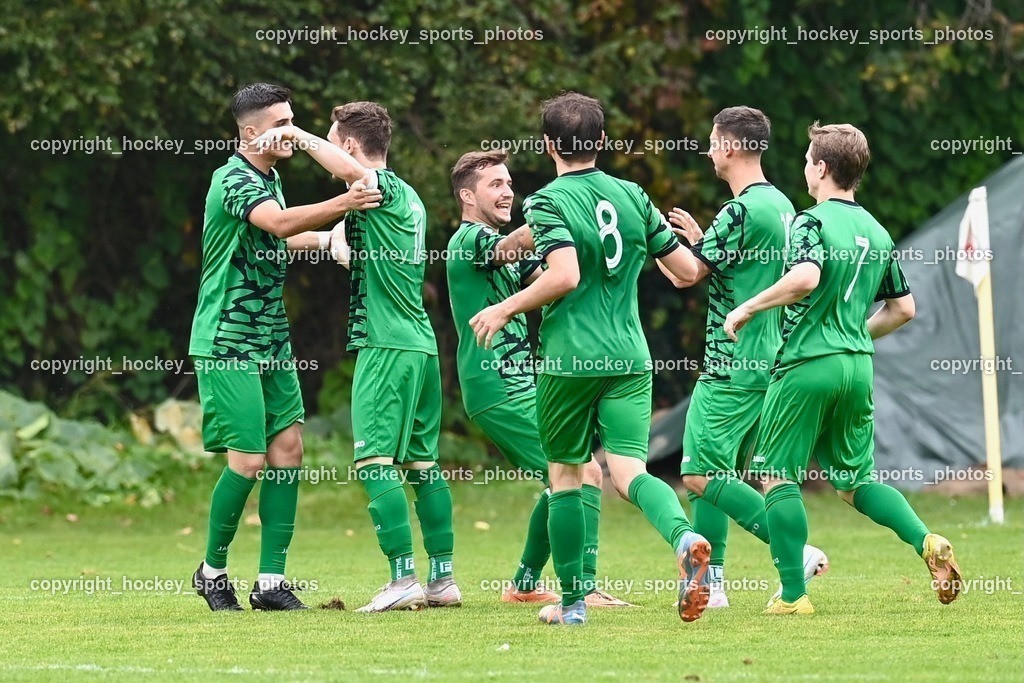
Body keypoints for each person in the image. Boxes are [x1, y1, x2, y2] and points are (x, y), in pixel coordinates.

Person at [470, 92, 712, 625]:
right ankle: (684, 538)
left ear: (549, 144)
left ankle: (574, 604)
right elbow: (689, 272)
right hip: (630, 355)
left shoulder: (547, 199)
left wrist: (504, 308)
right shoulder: (632, 195)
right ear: (602, 142)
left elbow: (564, 274)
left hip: (570, 360)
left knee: (565, 475)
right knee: (629, 473)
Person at [724, 122, 962, 615]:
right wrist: (852, 336)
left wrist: (749, 307)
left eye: (808, 159)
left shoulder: (811, 221)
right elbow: (904, 309)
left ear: (822, 168)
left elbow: (807, 276)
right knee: (855, 482)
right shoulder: (875, 229)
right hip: (856, 367)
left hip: (808, 364)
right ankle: (926, 540)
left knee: (775, 473)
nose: (804, 168)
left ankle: (793, 596)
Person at [190, 83, 380, 612]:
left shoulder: (268, 178)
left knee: (288, 452)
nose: (293, 133)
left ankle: (270, 582)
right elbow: (274, 223)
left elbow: (277, 235)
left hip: (271, 337)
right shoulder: (231, 177)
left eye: (294, 120)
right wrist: (345, 201)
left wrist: (327, 240)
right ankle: (212, 570)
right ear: (251, 133)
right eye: (282, 124)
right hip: (227, 337)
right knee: (248, 460)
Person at [658, 106, 828, 608]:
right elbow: (731, 267)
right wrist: (697, 244)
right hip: (769, 359)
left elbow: (686, 275)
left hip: (731, 361)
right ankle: (714, 587)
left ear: (731, 146)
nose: (709, 150)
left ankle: (792, 551)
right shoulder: (781, 204)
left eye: (712, 142)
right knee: (716, 474)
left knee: (698, 473)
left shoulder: (739, 210)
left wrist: (652, 236)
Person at [445, 149, 630, 608]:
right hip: (496, 387)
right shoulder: (469, 240)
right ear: (468, 196)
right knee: (581, 470)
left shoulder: (499, 246)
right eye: (495, 185)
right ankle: (582, 588)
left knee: (565, 474)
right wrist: (569, 206)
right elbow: (516, 246)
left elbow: (554, 276)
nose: (508, 192)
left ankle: (525, 584)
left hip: (523, 382)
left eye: (509, 183)